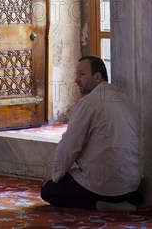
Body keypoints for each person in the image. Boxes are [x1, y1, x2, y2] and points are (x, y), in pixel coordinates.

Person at [41, 55, 143, 211]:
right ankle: (130, 200)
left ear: (97, 77)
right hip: (130, 185)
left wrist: (55, 176)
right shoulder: (126, 99)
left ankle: (101, 205)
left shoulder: (89, 102)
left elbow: (69, 146)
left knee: (49, 190)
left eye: (81, 74)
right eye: (76, 74)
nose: (76, 79)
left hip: (101, 185)